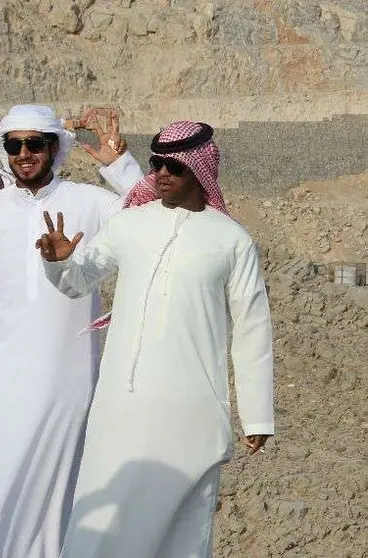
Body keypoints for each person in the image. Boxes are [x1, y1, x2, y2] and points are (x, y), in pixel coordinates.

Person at [36, 121, 274, 558]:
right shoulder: (130, 224)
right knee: (102, 525)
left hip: (192, 410)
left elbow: (252, 328)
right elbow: (78, 282)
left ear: (201, 172)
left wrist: (256, 416)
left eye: (174, 167)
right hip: (122, 406)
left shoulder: (233, 241)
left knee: (180, 533)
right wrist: (58, 263)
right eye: (156, 164)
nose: (161, 173)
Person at [0, 104, 144, 557]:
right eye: (14, 144)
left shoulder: (90, 202)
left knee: (61, 501)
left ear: (54, 147)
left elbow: (150, 219)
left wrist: (119, 165)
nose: (24, 153)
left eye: (35, 143)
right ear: (3, 150)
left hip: (67, 380)